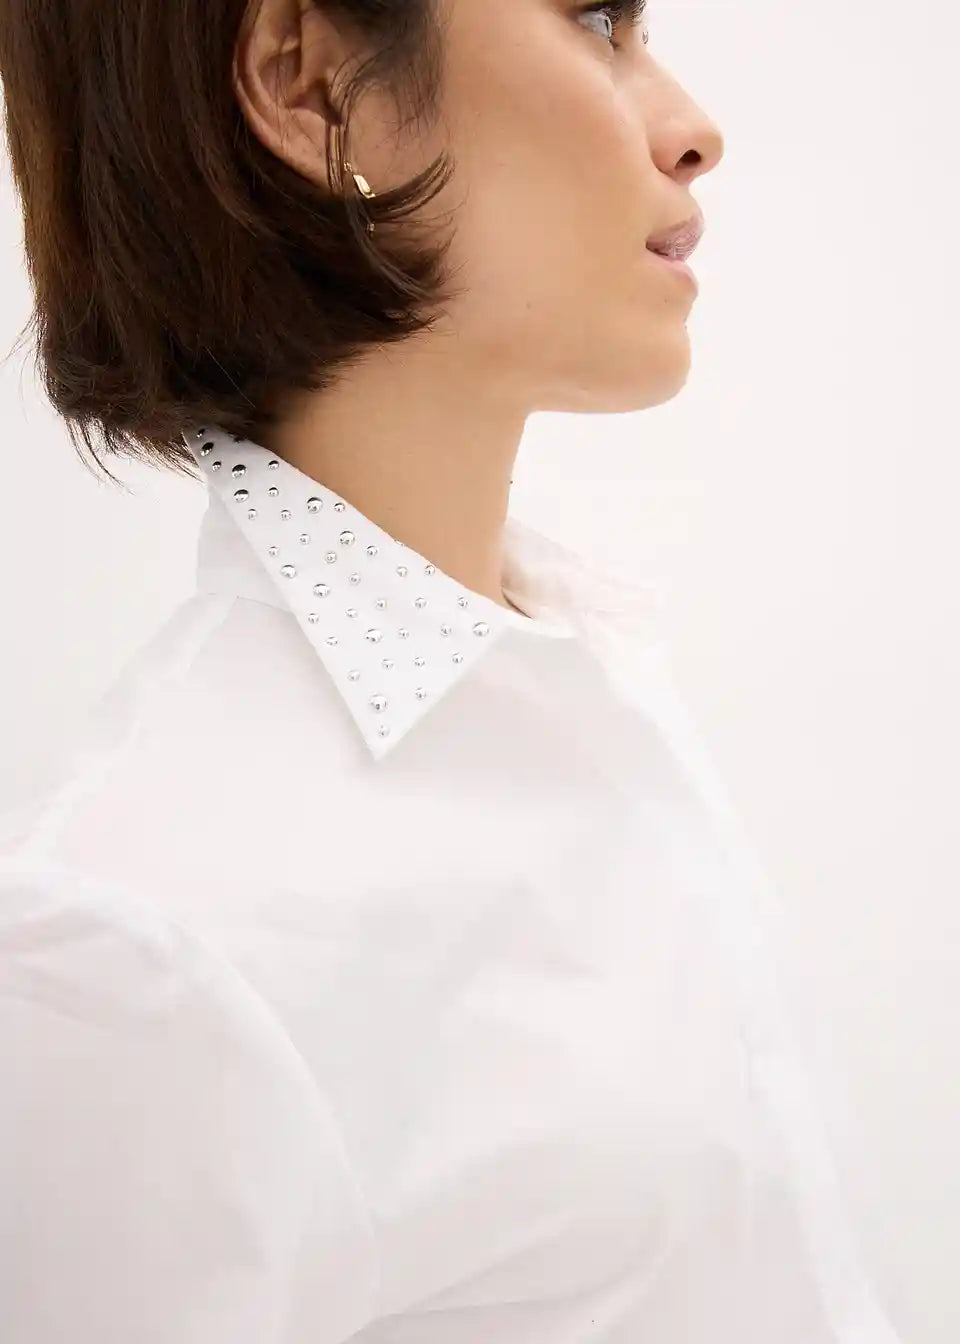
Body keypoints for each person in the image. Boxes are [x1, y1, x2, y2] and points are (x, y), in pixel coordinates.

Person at [0, 2, 903, 1341]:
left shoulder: (580, 675)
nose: (694, 130)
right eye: (594, 18)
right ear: (311, 85)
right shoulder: (140, 945)